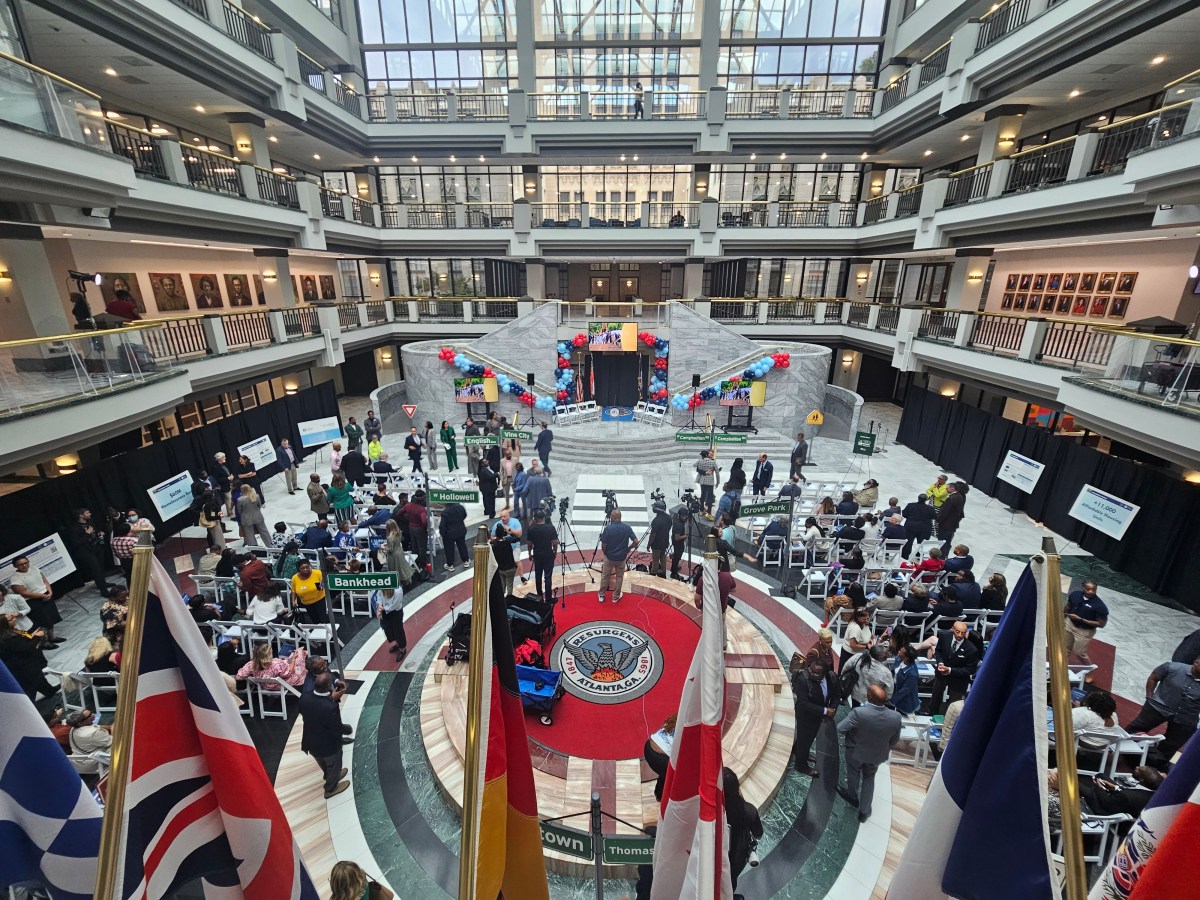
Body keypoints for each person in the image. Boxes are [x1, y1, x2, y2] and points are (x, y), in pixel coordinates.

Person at [836, 683, 902, 822]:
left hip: (855, 751)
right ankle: (864, 812)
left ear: (869, 697)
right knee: (869, 778)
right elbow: (894, 740)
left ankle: (852, 797)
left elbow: (841, 728)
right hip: (877, 754)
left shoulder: (859, 713)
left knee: (853, 774)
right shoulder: (896, 717)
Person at [1125, 656, 1200, 758]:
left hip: (1186, 717)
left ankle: (1154, 765)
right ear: (1196, 663)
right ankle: (1120, 749)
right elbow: (1153, 677)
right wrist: (1149, 698)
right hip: (1159, 706)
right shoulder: (1172, 667)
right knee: (1134, 730)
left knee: (1172, 745)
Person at [299, 671, 350, 798]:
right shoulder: (330, 706)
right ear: (328, 686)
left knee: (322, 762)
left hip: (310, 741)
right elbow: (336, 727)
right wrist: (347, 729)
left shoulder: (305, 696)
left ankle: (330, 774)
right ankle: (331, 788)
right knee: (334, 763)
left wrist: (331, 698)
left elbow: (307, 711)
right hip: (328, 745)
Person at [791, 659, 837, 777]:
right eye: (811, 670)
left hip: (818, 715)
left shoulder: (831, 677)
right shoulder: (803, 680)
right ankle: (800, 765)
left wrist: (832, 709)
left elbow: (837, 695)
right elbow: (803, 703)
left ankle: (803, 753)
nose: (811, 674)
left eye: (816, 673)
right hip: (805, 715)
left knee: (808, 738)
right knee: (804, 739)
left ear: (824, 673)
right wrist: (826, 711)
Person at [723, 767, 763, 892]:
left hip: (717, 858)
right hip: (737, 858)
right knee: (731, 880)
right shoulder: (749, 810)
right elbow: (758, 834)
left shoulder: (714, 813)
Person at [929, 620, 980, 716]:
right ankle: (931, 715)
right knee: (935, 698)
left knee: (954, 705)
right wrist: (940, 663)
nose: (960, 635)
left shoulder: (971, 649)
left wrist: (950, 670)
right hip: (941, 674)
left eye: (963, 633)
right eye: (958, 632)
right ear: (953, 629)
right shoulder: (944, 637)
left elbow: (970, 669)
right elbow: (938, 652)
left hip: (958, 680)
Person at [0, 612, 55, 698]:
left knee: (39, 678)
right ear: (5, 624)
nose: (14, 619)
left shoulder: (10, 632)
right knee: (30, 687)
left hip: (26, 663)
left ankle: (50, 691)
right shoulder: (9, 638)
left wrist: (33, 636)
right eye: (11, 619)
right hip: (22, 666)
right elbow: (26, 648)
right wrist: (37, 637)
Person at [8, 554, 61, 642]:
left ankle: (52, 637)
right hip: (34, 601)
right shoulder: (15, 578)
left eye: (26, 563)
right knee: (43, 622)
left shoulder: (34, 569)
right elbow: (23, 593)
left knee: (51, 618)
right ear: (15, 566)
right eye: (21, 564)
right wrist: (42, 595)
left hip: (46, 596)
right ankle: (44, 642)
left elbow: (44, 580)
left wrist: (50, 591)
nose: (24, 565)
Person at [67, 507, 112, 594]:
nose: (90, 514)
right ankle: (104, 591)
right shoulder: (74, 528)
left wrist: (99, 533)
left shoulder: (90, 522)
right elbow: (76, 542)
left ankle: (102, 584)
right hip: (86, 552)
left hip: (97, 548)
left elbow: (95, 531)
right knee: (96, 570)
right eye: (87, 513)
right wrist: (87, 534)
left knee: (101, 568)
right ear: (81, 515)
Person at [1063, 580, 1108, 665]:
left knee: (1079, 653)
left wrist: (1081, 619)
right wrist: (1063, 617)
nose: (1091, 592)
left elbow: (1102, 624)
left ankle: (1089, 670)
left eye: (1093, 589)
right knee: (1065, 648)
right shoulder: (1075, 594)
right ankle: (1062, 668)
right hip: (1070, 624)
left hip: (1084, 631)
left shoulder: (1100, 606)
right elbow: (1068, 606)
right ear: (1083, 587)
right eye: (1088, 589)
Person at [598, 509, 637, 603]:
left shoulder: (608, 529)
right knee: (619, 577)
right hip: (621, 557)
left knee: (605, 576)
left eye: (611, 516)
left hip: (609, 557)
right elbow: (636, 541)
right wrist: (628, 549)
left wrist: (605, 553)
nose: (610, 517)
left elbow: (604, 545)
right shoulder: (627, 528)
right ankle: (615, 597)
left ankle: (601, 595)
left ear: (615, 517)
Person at [65, 707, 113, 773]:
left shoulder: (74, 728)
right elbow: (113, 741)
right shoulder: (93, 733)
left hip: (79, 762)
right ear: (80, 723)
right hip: (93, 764)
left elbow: (96, 727)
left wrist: (110, 726)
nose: (93, 715)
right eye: (90, 716)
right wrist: (114, 728)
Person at [526, 508, 559, 598]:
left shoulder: (531, 529)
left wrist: (529, 553)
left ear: (535, 518)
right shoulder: (550, 528)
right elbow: (554, 542)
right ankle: (548, 597)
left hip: (537, 555)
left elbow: (529, 544)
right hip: (548, 555)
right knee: (548, 576)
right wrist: (555, 552)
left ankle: (539, 596)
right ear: (544, 517)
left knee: (538, 576)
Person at [489, 508, 522, 596]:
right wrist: (509, 531)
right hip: (510, 568)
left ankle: (501, 602)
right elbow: (517, 537)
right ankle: (509, 600)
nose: (503, 518)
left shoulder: (493, 544)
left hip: (500, 568)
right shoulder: (507, 541)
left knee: (502, 586)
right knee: (509, 586)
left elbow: (491, 540)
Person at [644, 716, 675, 801]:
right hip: (660, 760)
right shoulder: (690, 728)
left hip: (648, 746)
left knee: (665, 773)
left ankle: (659, 794)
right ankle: (665, 797)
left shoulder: (678, 716)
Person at [401, 492, 431, 572]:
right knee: (422, 547)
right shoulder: (421, 509)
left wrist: (407, 519)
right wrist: (426, 528)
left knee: (414, 546)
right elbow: (424, 521)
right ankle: (422, 564)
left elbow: (399, 514)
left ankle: (416, 562)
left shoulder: (408, 506)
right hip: (420, 528)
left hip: (411, 527)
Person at [937, 481, 969, 556]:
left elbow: (945, 512)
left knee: (943, 542)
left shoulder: (951, 498)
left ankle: (941, 557)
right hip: (953, 523)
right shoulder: (961, 496)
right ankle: (945, 555)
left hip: (946, 524)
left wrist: (938, 520)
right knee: (948, 541)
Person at [382, 521, 416, 589]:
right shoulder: (399, 532)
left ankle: (398, 584)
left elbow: (390, 549)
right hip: (400, 552)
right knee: (402, 567)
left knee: (395, 570)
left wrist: (383, 548)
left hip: (393, 556)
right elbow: (396, 543)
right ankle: (407, 580)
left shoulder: (390, 537)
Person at [900, 493, 935, 559]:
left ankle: (905, 556)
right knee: (922, 542)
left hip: (911, 526)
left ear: (918, 499)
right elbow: (934, 516)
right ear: (926, 500)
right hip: (924, 528)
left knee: (908, 542)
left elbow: (904, 514)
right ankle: (919, 555)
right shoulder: (930, 509)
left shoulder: (911, 505)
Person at [376, 587, 406, 659]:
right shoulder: (382, 585)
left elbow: (395, 605)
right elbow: (379, 595)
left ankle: (402, 649)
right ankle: (397, 644)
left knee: (398, 631)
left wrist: (383, 608)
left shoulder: (398, 590)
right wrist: (380, 607)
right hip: (385, 611)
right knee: (388, 629)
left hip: (395, 612)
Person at [890, 645, 921, 715]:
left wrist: (891, 700)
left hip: (906, 701)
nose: (899, 652)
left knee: (902, 716)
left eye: (901, 652)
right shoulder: (898, 659)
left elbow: (905, 690)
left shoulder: (913, 674)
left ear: (906, 658)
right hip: (895, 689)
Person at [439, 502, 469, 572]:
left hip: (449, 533)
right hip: (461, 530)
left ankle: (450, 565)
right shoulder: (460, 507)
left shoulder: (445, 512)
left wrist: (442, 534)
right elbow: (465, 515)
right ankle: (466, 561)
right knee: (462, 545)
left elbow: (442, 525)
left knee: (449, 549)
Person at [695, 450, 717, 518]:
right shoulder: (702, 461)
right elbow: (698, 469)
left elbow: (716, 470)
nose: (711, 456)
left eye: (712, 455)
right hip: (703, 479)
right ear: (707, 454)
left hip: (710, 481)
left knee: (710, 496)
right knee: (704, 495)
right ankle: (702, 509)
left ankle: (708, 511)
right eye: (710, 454)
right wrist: (705, 472)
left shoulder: (713, 461)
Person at [670, 507, 689, 580]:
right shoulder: (678, 525)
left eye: (685, 516)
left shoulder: (676, 518)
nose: (684, 518)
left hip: (677, 542)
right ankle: (674, 573)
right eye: (683, 516)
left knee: (677, 556)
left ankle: (674, 567)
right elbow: (677, 537)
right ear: (679, 515)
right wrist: (684, 536)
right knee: (677, 557)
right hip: (677, 542)